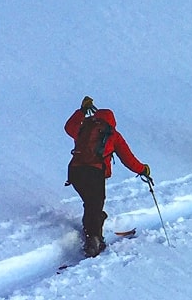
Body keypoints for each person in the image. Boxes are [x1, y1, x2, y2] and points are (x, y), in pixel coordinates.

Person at [64, 96, 150, 258]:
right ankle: (94, 239)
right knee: (95, 204)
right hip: (95, 173)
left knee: (91, 203)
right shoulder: (113, 135)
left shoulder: (84, 128)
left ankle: (92, 232)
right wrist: (142, 169)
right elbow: (127, 158)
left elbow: (68, 127)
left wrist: (81, 111)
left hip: (75, 172)